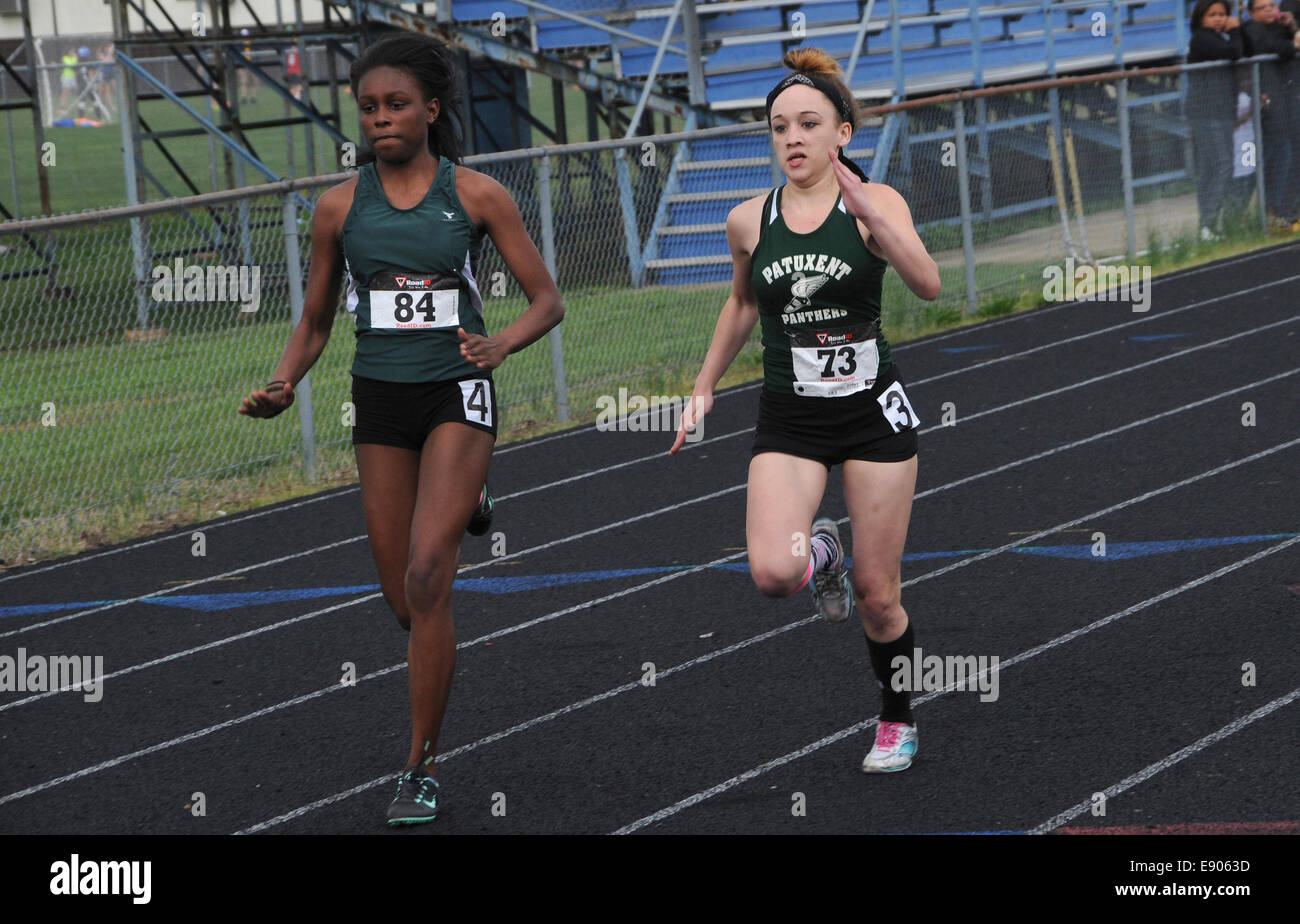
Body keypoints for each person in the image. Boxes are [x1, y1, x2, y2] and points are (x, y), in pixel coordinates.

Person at [238, 32, 563, 824]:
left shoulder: (478, 196)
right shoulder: (339, 207)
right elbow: (315, 319)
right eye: (370, 108)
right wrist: (286, 381)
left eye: (396, 106)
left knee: (428, 577)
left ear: (431, 110)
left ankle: (418, 766)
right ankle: (462, 506)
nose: (382, 119)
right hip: (380, 401)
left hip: (457, 390)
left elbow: (547, 301)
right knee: (403, 604)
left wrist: (500, 345)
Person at [670, 48, 940, 773]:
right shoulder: (748, 221)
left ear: (841, 135)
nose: (792, 138)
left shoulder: (877, 203)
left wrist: (872, 221)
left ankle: (896, 719)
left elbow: (929, 285)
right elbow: (739, 305)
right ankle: (822, 551)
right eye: (779, 126)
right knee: (771, 574)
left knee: (880, 597)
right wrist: (702, 387)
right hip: (790, 416)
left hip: (872, 416)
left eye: (808, 124)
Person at [1187, 1, 1244, 240]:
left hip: (1222, 112)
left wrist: (1238, 31)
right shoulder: (1202, 38)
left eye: (1223, 14)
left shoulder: (1223, 38)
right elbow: (1232, 54)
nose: (1219, 19)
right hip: (1206, 112)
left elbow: (1246, 51)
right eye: (1213, 15)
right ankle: (1208, 225)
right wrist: (1235, 31)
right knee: (1221, 165)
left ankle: (1209, 225)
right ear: (1201, 18)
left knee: (1215, 167)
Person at [1242, 0, 1300, 230]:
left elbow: (1291, 45)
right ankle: (1240, 215)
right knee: (1255, 164)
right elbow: (1277, 47)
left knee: (1284, 156)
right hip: (1258, 111)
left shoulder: (1282, 28)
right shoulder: (1249, 30)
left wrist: (1293, 26)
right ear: (1251, 13)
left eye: (1272, 6)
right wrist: (1289, 45)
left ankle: (1275, 212)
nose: (1270, 11)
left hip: (1281, 110)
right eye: (1262, 7)